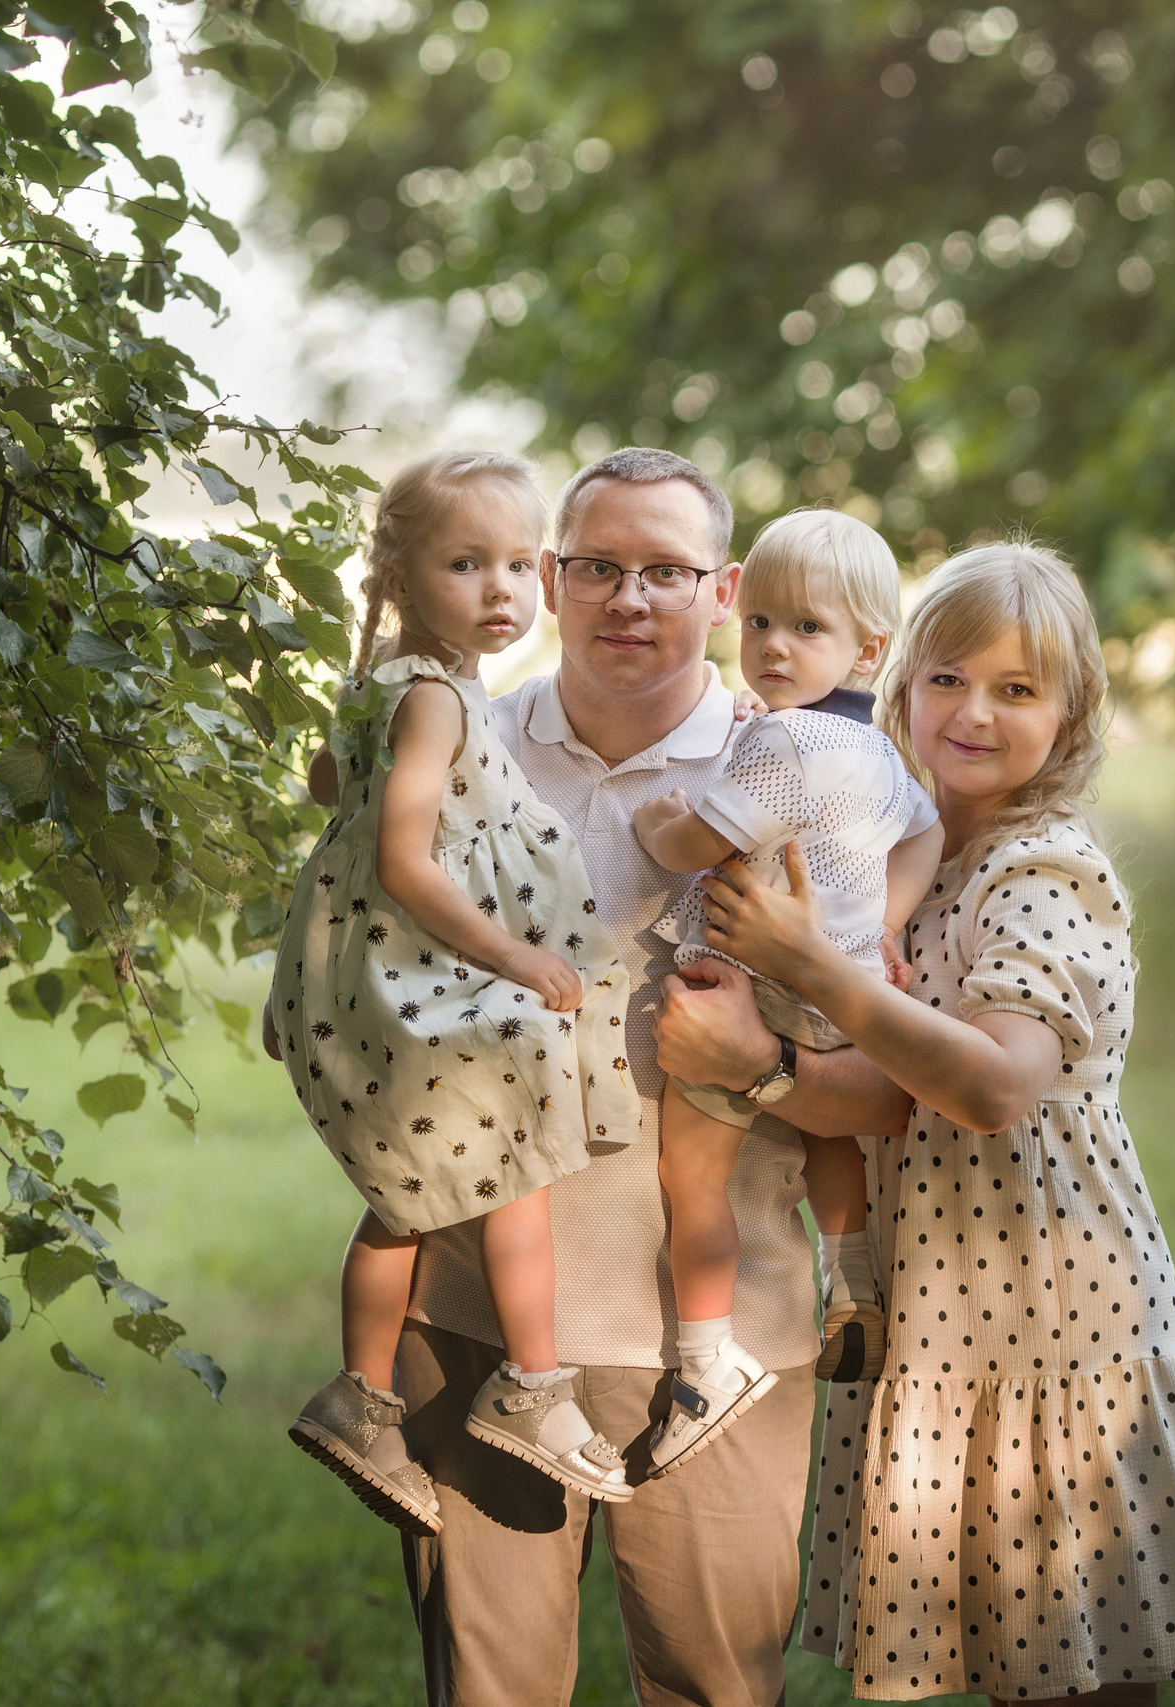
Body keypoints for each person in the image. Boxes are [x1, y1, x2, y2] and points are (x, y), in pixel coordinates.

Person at [693, 542, 1175, 1703]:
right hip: (945, 1315)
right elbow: (889, 1098)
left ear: (1071, 716)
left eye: (1017, 690)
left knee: (1073, 1672)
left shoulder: (1044, 871)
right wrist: (758, 1070)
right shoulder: (915, 854)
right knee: (1013, 1668)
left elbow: (993, 1088)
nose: (973, 713)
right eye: (947, 678)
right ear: (898, 684)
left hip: (1054, 1320)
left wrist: (811, 965)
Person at [390, 449, 912, 1707]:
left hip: (716, 1350)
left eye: (667, 571)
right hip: (477, 1320)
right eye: (600, 567)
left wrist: (765, 1064)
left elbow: (892, 1091)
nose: (631, 597)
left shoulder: (791, 769)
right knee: (488, 1692)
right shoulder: (457, 741)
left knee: (715, 1691)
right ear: (553, 579)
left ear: (723, 590)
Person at [271, 450, 642, 1534]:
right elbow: (400, 859)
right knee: (516, 1171)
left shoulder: (382, 684)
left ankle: (360, 1398)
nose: (501, 592)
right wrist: (515, 958)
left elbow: (324, 796)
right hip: (432, 979)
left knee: (404, 1202)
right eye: (465, 563)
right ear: (397, 574)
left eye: (521, 565)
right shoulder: (432, 698)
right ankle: (533, 1388)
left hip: (378, 979)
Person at [629, 507, 942, 1473]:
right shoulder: (884, 752)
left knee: (693, 1177)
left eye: (805, 628)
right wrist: (880, 927)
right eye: (758, 620)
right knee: (827, 1140)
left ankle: (703, 1361)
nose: (770, 645)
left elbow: (695, 845)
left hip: (750, 985)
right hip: (837, 989)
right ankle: (852, 1286)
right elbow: (926, 833)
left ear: (867, 646)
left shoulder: (782, 746)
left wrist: (657, 817)